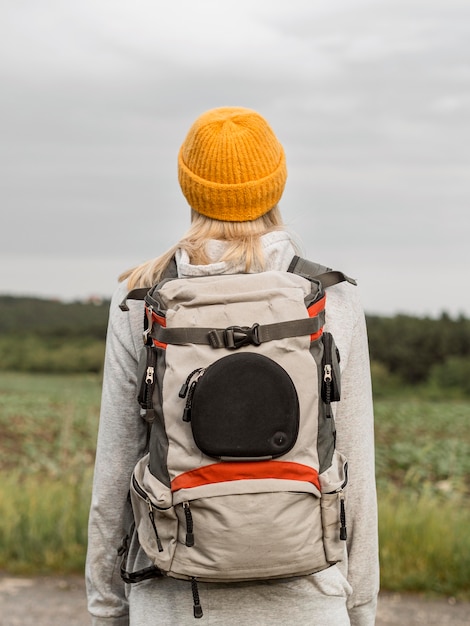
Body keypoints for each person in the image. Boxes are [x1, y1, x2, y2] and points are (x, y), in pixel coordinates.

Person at [86, 106, 379, 625]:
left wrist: (108, 609)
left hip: (172, 598)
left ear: (188, 186)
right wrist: (358, 606)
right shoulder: (330, 301)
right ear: (277, 184)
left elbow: (114, 471)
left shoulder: (140, 301)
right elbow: (355, 472)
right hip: (309, 599)